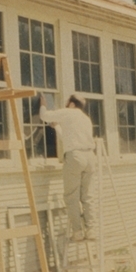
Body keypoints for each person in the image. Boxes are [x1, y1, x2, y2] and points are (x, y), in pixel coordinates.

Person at [38, 93, 96, 241]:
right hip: (90, 157)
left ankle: (77, 232)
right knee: (87, 196)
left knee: (71, 196)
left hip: (75, 156)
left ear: (71, 104)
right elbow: (68, 138)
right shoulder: (86, 118)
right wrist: (57, 126)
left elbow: (44, 116)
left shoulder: (68, 112)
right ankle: (91, 230)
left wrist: (43, 104)